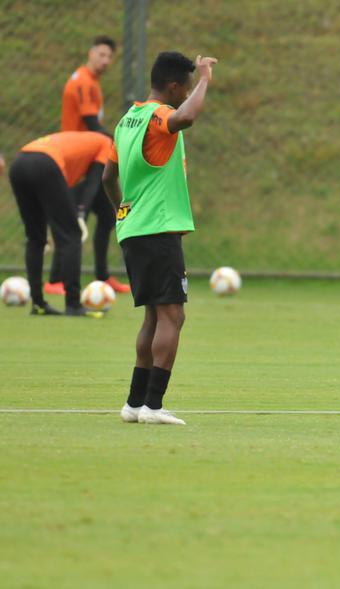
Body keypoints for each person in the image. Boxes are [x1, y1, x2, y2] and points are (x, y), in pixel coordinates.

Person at [103, 51, 217, 426]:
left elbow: (108, 178)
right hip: (158, 227)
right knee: (173, 315)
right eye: (185, 87)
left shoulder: (126, 121)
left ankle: (135, 404)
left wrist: (123, 212)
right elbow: (186, 116)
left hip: (134, 228)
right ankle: (153, 406)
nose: (187, 94)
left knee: (153, 317)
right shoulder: (158, 116)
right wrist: (205, 79)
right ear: (173, 86)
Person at [48, 35, 128, 296]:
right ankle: (54, 280)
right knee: (71, 221)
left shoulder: (92, 82)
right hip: (74, 161)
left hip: (89, 160)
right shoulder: (82, 81)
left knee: (107, 216)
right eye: (101, 54)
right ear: (91, 53)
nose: (105, 61)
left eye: (109, 57)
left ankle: (103, 278)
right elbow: (91, 123)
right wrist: (120, 140)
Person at [7, 131, 112, 316]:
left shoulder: (83, 139)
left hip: (19, 162)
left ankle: (38, 304)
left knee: (35, 238)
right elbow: (94, 183)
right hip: (45, 163)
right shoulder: (107, 143)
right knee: (71, 236)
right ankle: (73, 305)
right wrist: (80, 213)